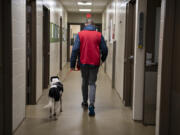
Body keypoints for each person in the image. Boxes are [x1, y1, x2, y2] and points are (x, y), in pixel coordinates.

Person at [70, 19, 108, 116]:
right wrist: (102, 59)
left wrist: (72, 64)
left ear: (86, 24)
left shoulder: (80, 34)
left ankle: (84, 102)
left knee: (84, 81)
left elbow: (75, 50)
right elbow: (104, 49)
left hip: (83, 62)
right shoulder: (99, 35)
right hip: (95, 63)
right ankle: (91, 104)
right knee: (92, 83)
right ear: (94, 25)